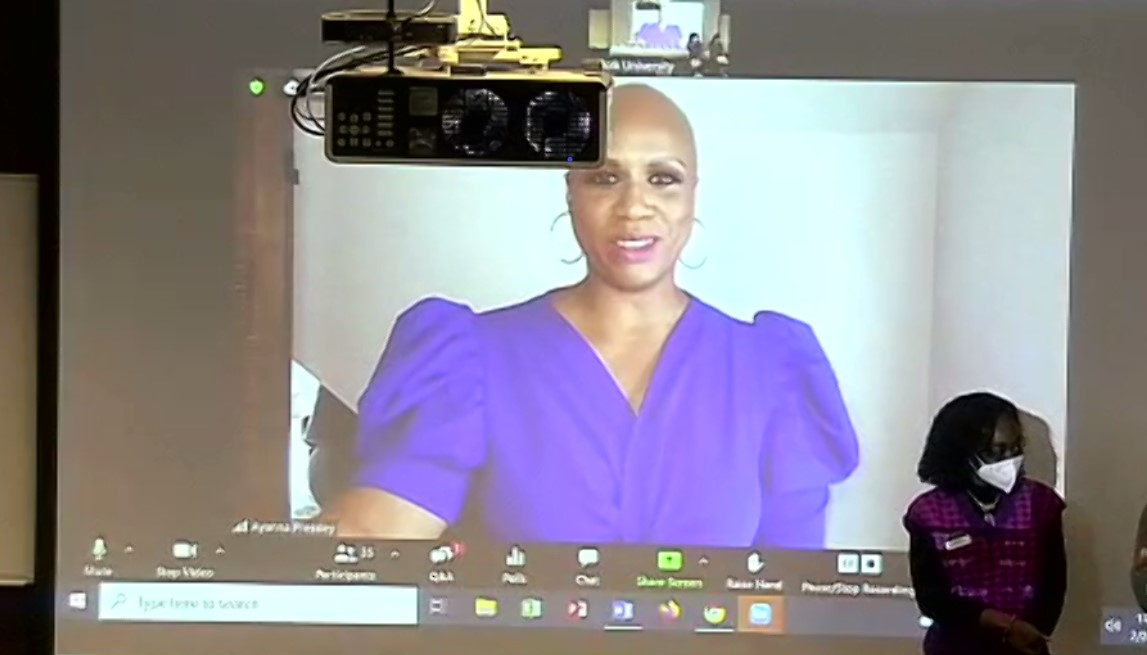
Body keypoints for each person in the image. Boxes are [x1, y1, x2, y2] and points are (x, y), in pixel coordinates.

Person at [328, 83, 860, 547]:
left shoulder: (773, 367)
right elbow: (377, 537)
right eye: (605, 178)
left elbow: (792, 596)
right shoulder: (470, 359)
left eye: (663, 178)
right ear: (571, 191)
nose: (634, 207)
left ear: (693, 195)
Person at [905, 392, 1067, 655]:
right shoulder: (927, 513)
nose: (1010, 460)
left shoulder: (1042, 504)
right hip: (954, 647)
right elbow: (932, 598)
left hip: (1024, 647)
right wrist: (1000, 623)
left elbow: (1053, 585)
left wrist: (1025, 632)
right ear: (962, 453)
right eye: (997, 451)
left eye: (1016, 448)